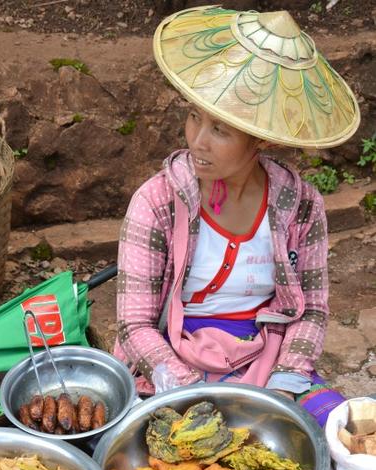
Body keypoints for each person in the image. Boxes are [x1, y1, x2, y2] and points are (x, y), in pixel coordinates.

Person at [114, 5, 360, 427]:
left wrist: (282, 385)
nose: (197, 141)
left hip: (267, 354)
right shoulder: (157, 203)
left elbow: (313, 311)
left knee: (334, 440)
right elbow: (134, 324)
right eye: (194, 117)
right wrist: (195, 392)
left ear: (260, 139)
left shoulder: (301, 207)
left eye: (220, 130)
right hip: (172, 358)